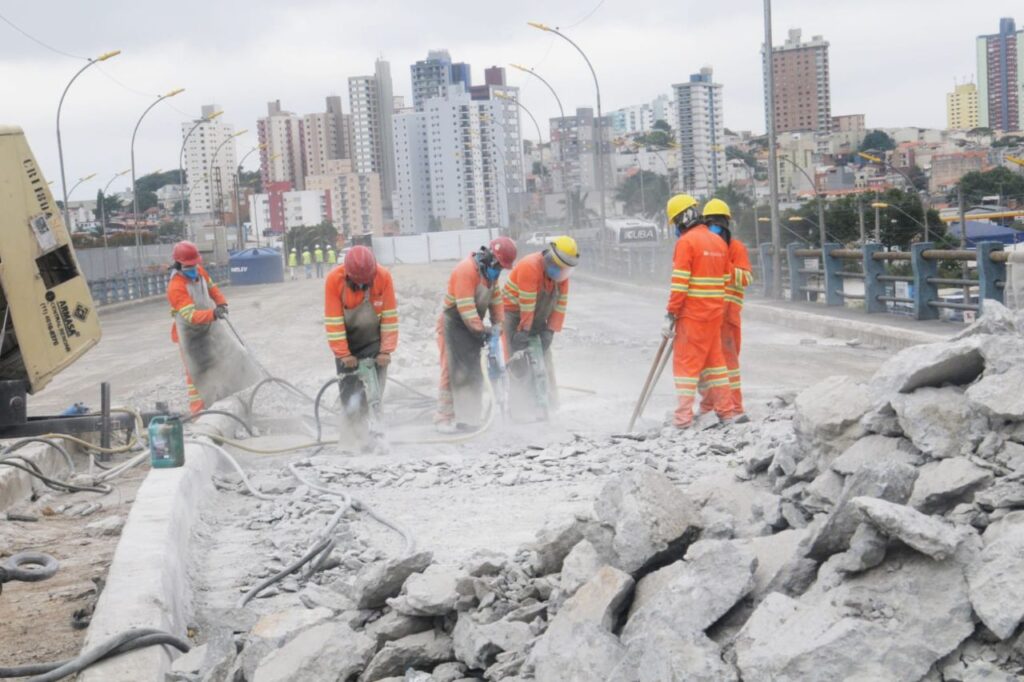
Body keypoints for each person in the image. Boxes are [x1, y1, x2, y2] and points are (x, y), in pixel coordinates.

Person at [662, 194, 735, 429]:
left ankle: (683, 419)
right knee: (716, 364)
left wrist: (671, 314)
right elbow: (725, 281)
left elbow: (680, 283)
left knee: (685, 365)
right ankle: (726, 413)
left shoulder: (686, 243)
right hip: (714, 315)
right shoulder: (718, 242)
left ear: (682, 218)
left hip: (692, 315)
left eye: (675, 223)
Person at [435, 237, 517, 432]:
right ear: (489, 257)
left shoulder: (491, 274)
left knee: (474, 372)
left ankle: (469, 417)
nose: (498, 270)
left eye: (501, 268)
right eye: (498, 265)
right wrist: (482, 331)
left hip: (472, 326)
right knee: (452, 370)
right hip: (453, 323)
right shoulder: (466, 270)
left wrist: (498, 325)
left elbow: (496, 299)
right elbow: (465, 307)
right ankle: (444, 418)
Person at [502, 236, 577, 420]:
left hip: (536, 316)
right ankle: (520, 408)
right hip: (514, 315)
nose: (560, 272)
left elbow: (560, 305)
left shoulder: (561, 276)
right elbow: (527, 305)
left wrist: (550, 331)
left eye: (564, 269)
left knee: (544, 361)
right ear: (550, 259)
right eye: (558, 267)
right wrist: (523, 333)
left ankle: (549, 404)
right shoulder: (530, 266)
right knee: (519, 361)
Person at [324, 246, 398, 433]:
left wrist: (385, 350)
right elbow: (334, 321)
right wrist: (343, 354)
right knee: (350, 394)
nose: (364, 286)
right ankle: (354, 435)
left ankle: (375, 428)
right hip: (346, 341)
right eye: (359, 282)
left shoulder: (384, 277)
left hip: (373, 340)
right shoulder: (334, 280)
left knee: (374, 391)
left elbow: (389, 316)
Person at [699, 199, 753, 421]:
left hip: (728, 317)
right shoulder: (702, 248)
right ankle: (709, 406)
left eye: (718, 224)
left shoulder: (736, 248)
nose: (715, 229)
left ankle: (734, 408)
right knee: (705, 364)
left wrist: (723, 265)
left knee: (728, 364)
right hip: (706, 315)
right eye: (710, 224)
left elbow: (746, 278)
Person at [166, 240, 228, 414]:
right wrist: (213, 314)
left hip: (206, 327)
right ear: (179, 265)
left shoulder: (199, 271)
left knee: (216, 361)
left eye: (195, 264)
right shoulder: (176, 287)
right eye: (189, 266)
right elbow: (191, 316)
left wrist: (221, 303)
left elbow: (212, 288)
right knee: (196, 373)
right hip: (188, 335)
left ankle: (218, 401)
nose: (194, 269)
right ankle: (198, 413)